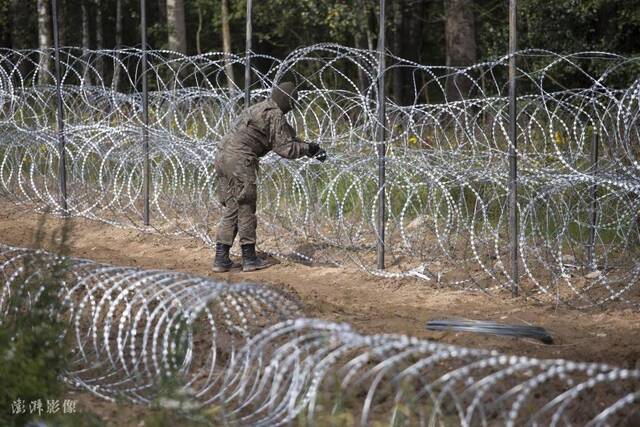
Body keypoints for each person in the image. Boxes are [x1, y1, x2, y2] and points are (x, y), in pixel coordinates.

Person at [213, 82, 327, 272]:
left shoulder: (261, 107)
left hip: (222, 156)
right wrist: (310, 149)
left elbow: (286, 136)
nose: (292, 108)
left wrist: (307, 147)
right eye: (292, 103)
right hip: (240, 160)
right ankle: (249, 258)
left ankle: (221, 258)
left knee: (233, 206)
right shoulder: (275, 114)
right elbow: (286, 148)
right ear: (287, 100)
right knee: (246, 205)